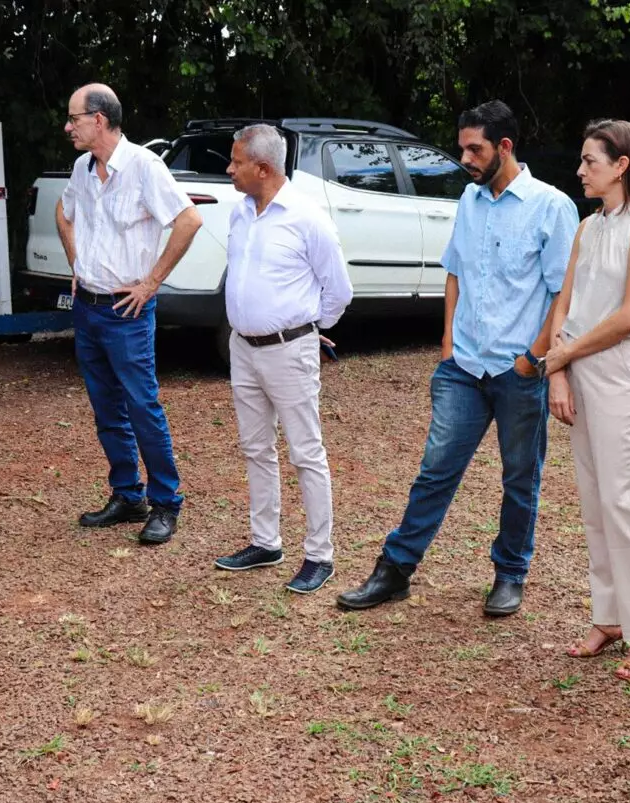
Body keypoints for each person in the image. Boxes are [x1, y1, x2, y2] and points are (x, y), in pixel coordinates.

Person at [336, 100, 579, 615]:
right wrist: (447, 344)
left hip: (519, 370)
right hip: (463, 368)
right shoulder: (469, 200)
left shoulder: (551, 206)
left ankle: (510, 573)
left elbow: (564, 292)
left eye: (476, 148)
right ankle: (395, 570)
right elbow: (455, 272)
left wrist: (534, 358)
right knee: (435, 470)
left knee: (519, 477)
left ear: (504, 147)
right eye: (463, 146)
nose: (464, 157)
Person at [544, 120, 630, 681]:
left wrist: (560, 357)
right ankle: (610, 617)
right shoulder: (586, 227)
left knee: (621, 501)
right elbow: (565, 302)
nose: (580, 171)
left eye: (589, 161)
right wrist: (559, 372)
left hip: (625, 375)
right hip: (579, 371)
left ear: (622, 165)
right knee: (594, 502)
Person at [55, 84, 203, 545]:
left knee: (142, 407)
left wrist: (151, 282)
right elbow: (64, 214)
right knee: (106, 409)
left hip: (126, 312)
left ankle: (165, 503)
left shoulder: (144, 166)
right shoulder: (83, 167)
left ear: (98, 120)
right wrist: (77, 265)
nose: (68, 126)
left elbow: (189, 220)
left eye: (74, 118)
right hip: (89, 307)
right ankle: (127, 495)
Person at [212, 125, 352, 593]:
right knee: (255, 447)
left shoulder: (307, 218)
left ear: (264, 168)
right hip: (243, 347)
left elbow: (339, 290)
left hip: (288, 348)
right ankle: (266, 541)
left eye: (236, 162)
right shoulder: (240, 213)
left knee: (305, 452)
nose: (229, 169)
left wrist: (310, 331)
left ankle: (319, 555)